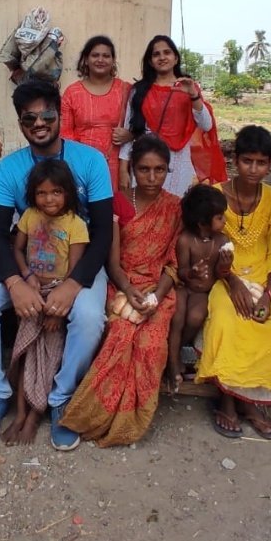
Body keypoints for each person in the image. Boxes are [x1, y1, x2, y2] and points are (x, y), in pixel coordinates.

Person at [0, 78, 113, 452]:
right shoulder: (11, 168)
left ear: (60, 115)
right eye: (29, 119)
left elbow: (103, 233)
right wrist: (15, 282)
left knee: (90, 318)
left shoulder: (90, 160)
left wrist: (73, 284)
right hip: (28, 261)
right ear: (20, 122)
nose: (39, 124)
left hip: (80, 259)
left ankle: (61, 398)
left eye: (47, 115)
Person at [61, 134, 183, 447]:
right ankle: (95, 416)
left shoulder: (174, 207)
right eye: (144, 169)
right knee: (119, 334)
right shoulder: (118, 203)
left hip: (159, 289)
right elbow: (112, 261)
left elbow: (173, 262)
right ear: (132, 170)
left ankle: (130, 422)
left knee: (151, 344)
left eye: (159, 170)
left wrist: (154, 296)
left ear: (168, 170)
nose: (152, 177)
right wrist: (128, 290)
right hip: (121, 284)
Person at [196, 125, 271, 440]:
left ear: (270, 165)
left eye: (261, 163)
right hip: (223, 276)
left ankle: (252, 403)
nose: (254, 169)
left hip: (262, 278)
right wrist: (232, 282)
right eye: (247, 161)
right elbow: (208, 245)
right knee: (227, 323)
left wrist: (269, 292)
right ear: (234, 160)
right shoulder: (214, 194)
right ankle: (228, 402)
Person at [2, 159, 89, 446]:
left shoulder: (76, 225)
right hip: (31, 294)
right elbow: (16, 249)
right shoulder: (29, 216)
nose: (48, 199)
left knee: (50, 358)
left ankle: (36, 415)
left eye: (56, 192)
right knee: (25, 351)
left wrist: (59, 313)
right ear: (32, 195)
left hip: (56, 299)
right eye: (41, 193)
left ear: (68, 193)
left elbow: (73, 275)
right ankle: (20, 413)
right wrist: (26, 276)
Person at [118, 34, 226, 197]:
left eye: (167, 53)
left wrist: (193, 95)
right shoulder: (139, 91)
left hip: (178, 160)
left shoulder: (188, 87)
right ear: (150, 61)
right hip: (146, 159)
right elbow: (130, 129)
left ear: (175, 58)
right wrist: (123, 169)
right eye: (156, 54)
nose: (162, 57)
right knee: (144, 212)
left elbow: (206, 125)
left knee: (175, 211)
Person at [167, 184, 228, 394]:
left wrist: (225, 265)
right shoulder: (186, 241)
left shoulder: (222, 241)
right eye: (219, 217)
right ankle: (174, 362)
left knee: (195, 317)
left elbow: (221, 274)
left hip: (203, 292)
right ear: (203, 222)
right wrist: (191, 273)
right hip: (185, 288)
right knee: (177, 317)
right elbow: (181, 270)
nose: (224, 221)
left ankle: (173, 352)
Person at [60, 35, 134, 191]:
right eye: (95, 55)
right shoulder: (72, 93)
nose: (100, 60)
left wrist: (130, 135)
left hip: (118, 167)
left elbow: (142, 126)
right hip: (81, 165)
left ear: (113, 60)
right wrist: (79, 163)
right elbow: (65, 134)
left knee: (115, 213)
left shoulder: (126, 90)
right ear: (86, 59)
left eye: (106, 56)